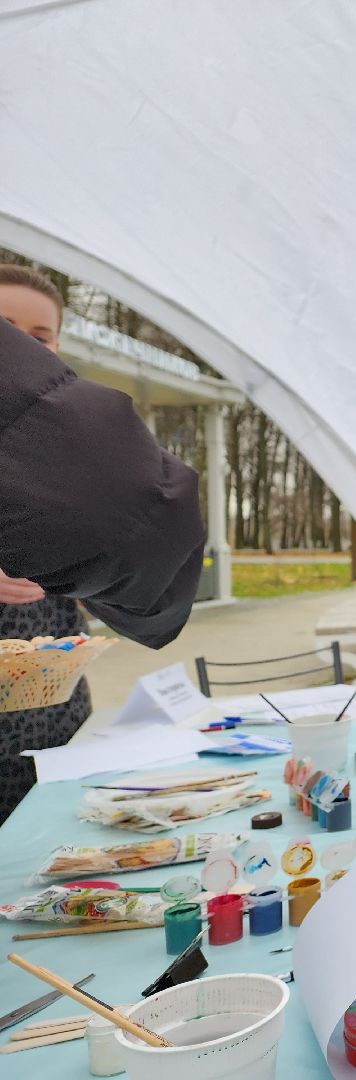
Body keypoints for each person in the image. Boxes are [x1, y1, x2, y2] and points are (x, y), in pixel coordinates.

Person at [0, 274, 205, 650]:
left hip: (55, 676)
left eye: (40, 336)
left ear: (57, 345)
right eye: (6, 329)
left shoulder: (94, 438)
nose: (23, 345)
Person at [0, 268, 90, 820]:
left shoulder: (71, 435)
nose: (20, 344)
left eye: (39, 335)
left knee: (46, 846)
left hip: (53, 702)